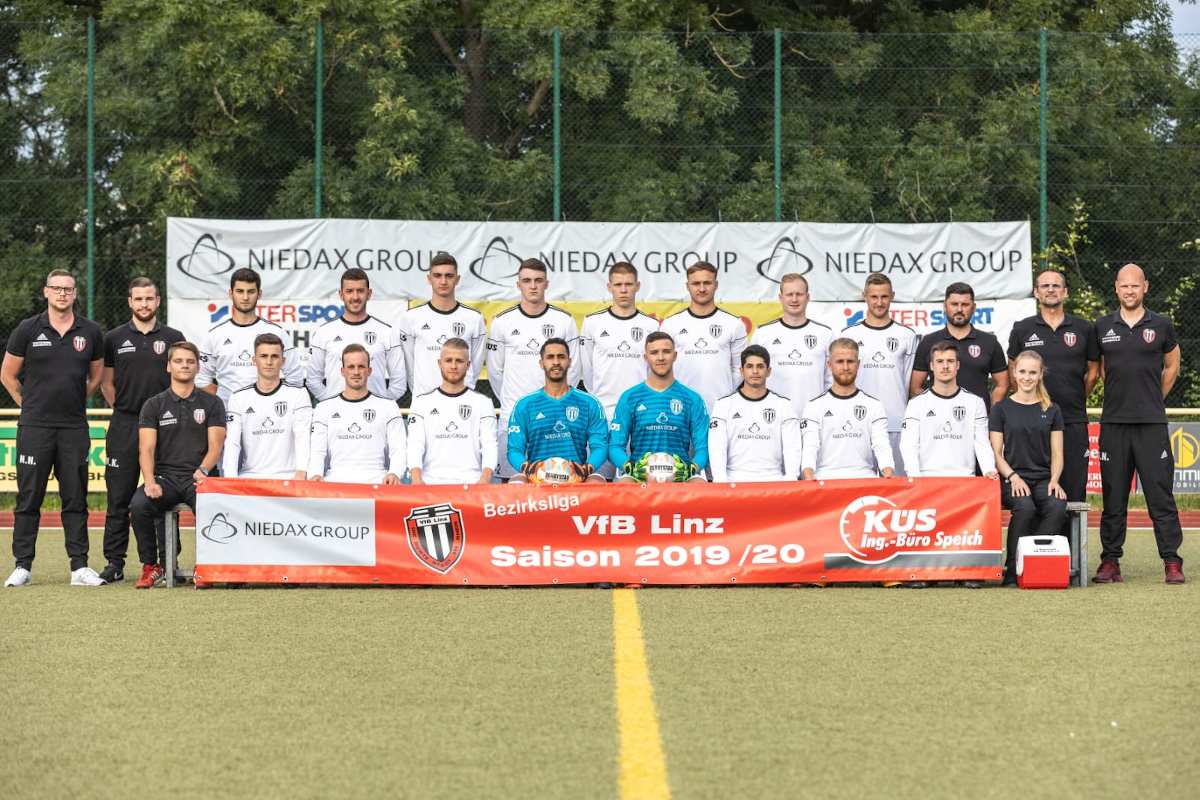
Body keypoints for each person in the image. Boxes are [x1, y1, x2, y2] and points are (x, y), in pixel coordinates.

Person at [2, 269, 105, 587]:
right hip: (35, 427)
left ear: (75, 294)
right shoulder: (27, 329)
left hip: (73, 427)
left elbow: (96, 377)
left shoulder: (90, 331)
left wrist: (74, 402)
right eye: (56, 288)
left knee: (76, 498)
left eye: (68, 289)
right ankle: (22, 566)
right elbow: (7, 375)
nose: (62, 293)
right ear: (46, 292)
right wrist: (29, 405)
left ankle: (79, 568)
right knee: (28, 498)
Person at [1092, 263, 1185, 585]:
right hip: (1114, 423)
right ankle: (1110, 561)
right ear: (1116, 288)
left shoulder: (1161, 324)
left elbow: (1172, 365)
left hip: (1151, 424)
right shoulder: (1102, 325)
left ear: (1145, 287)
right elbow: (1101, 369)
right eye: (1123, 286)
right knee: (1113, 497)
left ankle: (1172, 561)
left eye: (1135, 285)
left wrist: (1151, 398)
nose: (1129, 291)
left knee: (1160, 497)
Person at [98, 277, 185, 584]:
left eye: (150, 299)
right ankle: (114, 562)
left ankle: (168, 563)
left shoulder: (174, 337)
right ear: (130, 302)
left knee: (161, 496)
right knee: (118, 498)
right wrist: (123, 409)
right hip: (125, 424)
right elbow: (106, 382)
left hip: (164, 427)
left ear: (158, 302)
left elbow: (181, 379)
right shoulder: (113, 337)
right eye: (139, 299)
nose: (144, 304)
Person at [901, 340, 999, 589]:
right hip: (927, 479)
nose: (945, 367)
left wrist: (989, 470)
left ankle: (966, 571)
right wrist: (915, 477)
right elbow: (908, 445)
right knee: (926, 526)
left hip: (962, 480)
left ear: (958, 366)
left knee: (964, 527)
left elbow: (981, 443)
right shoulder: (917, 404)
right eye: (940, 362)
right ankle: (924, 571)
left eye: (950, 362)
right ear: (931, 366)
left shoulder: (974, 402)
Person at [128, 342, 226, 589]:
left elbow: (216, 446)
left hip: (200, 477)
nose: (185, 365)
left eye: (190, 362)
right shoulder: (154, 404)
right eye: (179, 361)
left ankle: (205, 565)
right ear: (169, 366)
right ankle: (152, 566)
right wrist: (149, 481)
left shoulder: (212, 403)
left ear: (198, 367)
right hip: (165, 478)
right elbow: (146, 449)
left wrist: (203, 470)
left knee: (211, 507)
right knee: (139, 505)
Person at [1007, 268, 1100, 521]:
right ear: (1036, 293)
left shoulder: (1084, 328)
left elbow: (1093, 372)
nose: (1051, 290)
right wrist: (1030, 404)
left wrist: (1076, 397)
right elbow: (1012, 371)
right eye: (1045, 286)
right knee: (1035, 491)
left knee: (1072, 492)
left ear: (1065, 292)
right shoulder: (1023, 328)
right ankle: (1032, 554)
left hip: (1072, 419)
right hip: (1033, 422)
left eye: (1056, 286)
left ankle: (1070, 557)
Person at [485, 258, 580, 479]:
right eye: (527, 281)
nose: (533, 286)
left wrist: (556, 401)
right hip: (513, 415)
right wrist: (514, 403)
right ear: (518, 285)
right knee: (513, 483)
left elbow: (573, 370)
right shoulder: (502, 321)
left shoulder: (564, 320)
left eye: (538, 280)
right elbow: (494, 371)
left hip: (556, 415)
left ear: (547, 283)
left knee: (557, 479)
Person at [989, 350, 1068, 587]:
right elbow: (996, 454)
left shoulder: (1052, 409)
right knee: (1024, 508)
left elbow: (1057, 453)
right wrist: (1012, 477)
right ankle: (1012, 570)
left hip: (1043, 479)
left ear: (1040, 374)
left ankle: (1034, 564)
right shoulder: (1001, 409)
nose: (1027, 377)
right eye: (1022, 371)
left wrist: (1054, 480)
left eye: (1032, 372)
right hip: (1012, 479)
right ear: (1014, 373)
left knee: (1057, 506)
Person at [579, 262, 656, 479]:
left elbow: (654, 371)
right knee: (596, 482)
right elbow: (588, 370)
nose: (623, 290)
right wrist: (600, 402)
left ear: (638, 286)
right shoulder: (593, 322)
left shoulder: (651, 325)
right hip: (602, 416)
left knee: (634, 481)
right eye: (618, 284)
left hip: (639, 417)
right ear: (609, 287)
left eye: (628, 284)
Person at [840, 274, 916, 476]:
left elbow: (907, 381)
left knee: (896, 488)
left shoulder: (906, 335)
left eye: (884, 297)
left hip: (896, 423)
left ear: (892, 296)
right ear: (864, 296)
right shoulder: (849, 335)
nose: (879, 302)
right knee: (858, 485)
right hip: (858, 423)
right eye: (874, 297)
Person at [609, 332, 709, 483]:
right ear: (646, 358)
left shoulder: (692, 399)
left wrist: (692, 468)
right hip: (639, 476)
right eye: (654, 353)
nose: (661, 357)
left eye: (666, 352)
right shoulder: (630, 397)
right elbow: (615, 446)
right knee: (624, 485)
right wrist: (630, 467)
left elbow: (704, 447)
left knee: (700, 485)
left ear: (674, 356)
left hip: (681, 476)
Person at [507, 339, 608, 483]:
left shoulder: (589, 403)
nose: (556, 362)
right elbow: (514, 449)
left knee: (597, 482)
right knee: (515, 484)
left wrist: (585, 469)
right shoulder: (525, 404)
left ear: (569, 362)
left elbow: (600, 447)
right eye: (550, 357)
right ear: (542, 363)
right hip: (537, 478)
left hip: (576, 477)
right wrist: (528, 469)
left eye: (561, 357)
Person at [197, 268, 302, 406]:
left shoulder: (276, 332)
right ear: (231, 293)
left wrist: (273, 400)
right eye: (240, 291)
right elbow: (201, 380)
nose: (245, 297)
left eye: (251, 291)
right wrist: (225, 398)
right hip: (228, 414)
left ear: (259, 294)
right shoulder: (214, 335)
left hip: (268, 412)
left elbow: (295, 378)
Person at [308, 344, 406, 484]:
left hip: (378, 481)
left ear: (369, 370)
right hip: (336, 480)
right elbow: (317, 450)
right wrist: (315, 474)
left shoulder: (388, 406)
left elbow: (398, 448)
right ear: (342, 371)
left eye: (361, 366)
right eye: (351, 367)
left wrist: (394, 473)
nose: (356, 372)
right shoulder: (324, 408)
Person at [657, 261, 748, 413]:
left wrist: (725, 395)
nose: (702, 288)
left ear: (716, 284)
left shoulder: (734, 324)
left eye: (707, 283)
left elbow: (741, 369)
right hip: (679, 410)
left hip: (720, 411)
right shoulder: (670, 324)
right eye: (696, 283)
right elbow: (660, 367)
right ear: (687, 286)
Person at [307, 268, 406, 402]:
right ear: (341, 295)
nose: (355, 297)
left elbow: (399, 382)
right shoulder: (324, 332)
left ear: (369, 293)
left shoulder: (386, 332)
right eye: (349, 291)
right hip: (337, 416)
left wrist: (381, 405)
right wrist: (332, 403)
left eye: (360, 291)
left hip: (375, 417)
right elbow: (313, 380)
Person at [222, 333, 313, 480]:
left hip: (290, 477)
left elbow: (303, 436)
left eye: (275, 357)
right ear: (254, 360)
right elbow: (232, 442)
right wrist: (231, 479)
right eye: (263, 356)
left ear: (283, 361)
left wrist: (301, 472)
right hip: (251, 477)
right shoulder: (238, 398)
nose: (269, 362)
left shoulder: (298, 394)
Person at [801, 338, 894, 481]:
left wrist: (888, 472)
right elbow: (810, 447)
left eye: (850, 362)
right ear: (830, 365)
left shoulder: (874, 405)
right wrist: (808, 476)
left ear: (858, 364)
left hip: (864, 479)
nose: (845, 367)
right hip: (824, 480)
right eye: (840, 362)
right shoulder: (814, 406)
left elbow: (881, 445)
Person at [407, 338, 497, 485]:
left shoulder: (483, 402)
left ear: (468, 365)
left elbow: (489, 445)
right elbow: (415, 444)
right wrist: (417, 480)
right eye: (448, 360)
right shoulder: (421, 402)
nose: (453, 366)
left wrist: (484, 480)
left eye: (459, 361)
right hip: (430, 482)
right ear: (439, 363)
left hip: (471, 482)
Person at [708, 345, 802, 482]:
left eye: (760, 366)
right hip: (734, 481)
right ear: (741, 370)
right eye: (749, 366)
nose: (755, 371)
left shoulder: (784, 405)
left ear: (768, 371)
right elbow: (717, 449)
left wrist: (789, 481)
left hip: (773, 481)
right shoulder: (723, 405)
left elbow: (792, 449)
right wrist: (722, 483)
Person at [399, 253, 487, 398]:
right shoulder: (412, 318)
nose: (443, 281)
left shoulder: (474, 318)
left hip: (462, 401)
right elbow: (410, 367)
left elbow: (475, 366)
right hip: (424, 402)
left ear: (457, 279)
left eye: (449, 276)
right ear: (429, 279)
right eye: (437, 275)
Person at [909, 282, 1008, 407]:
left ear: (973, 307)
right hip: (938, 422)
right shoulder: (928, 342)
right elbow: (915, 387)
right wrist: (931, 412)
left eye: (965, 304)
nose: (959, 309)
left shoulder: (989, 342)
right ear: (945, 306)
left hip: (977, 422)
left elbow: (1003, 384)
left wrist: (991, 415)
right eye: (954, 304)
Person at [750, 273, 833, 421]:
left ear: (807, 297)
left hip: (814, 421)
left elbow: (831, 380)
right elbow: (752, 379)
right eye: (789, 294)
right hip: (773, 420)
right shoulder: (763, 333)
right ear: (781, 297)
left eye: (799, 294)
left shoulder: (825, 334)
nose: (794, 299)